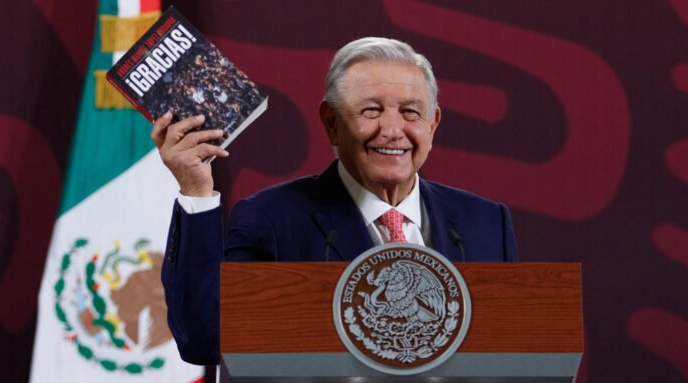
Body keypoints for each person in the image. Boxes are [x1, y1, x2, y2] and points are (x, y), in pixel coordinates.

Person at [152, 37, 518, 365]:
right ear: (331, 122)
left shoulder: (486, 223)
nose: (393, 130)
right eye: (371, 111)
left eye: (410, 112)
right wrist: (197, 193)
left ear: (433, 123)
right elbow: (206, 340)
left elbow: (516, 353)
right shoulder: (273, 219)